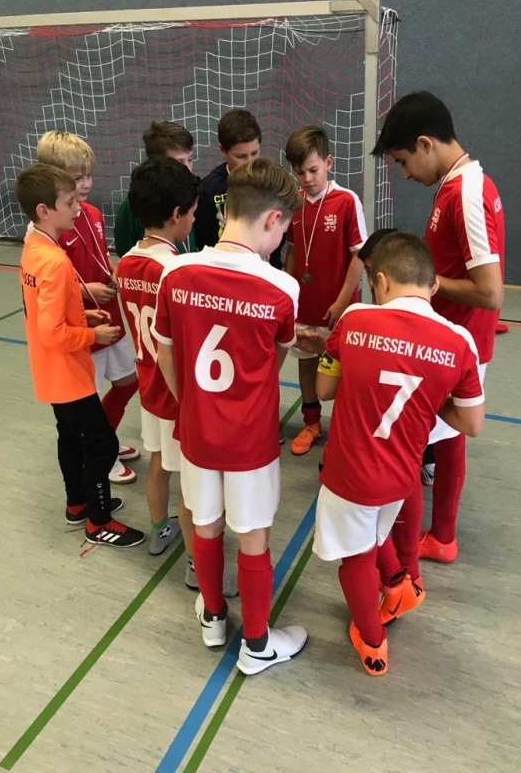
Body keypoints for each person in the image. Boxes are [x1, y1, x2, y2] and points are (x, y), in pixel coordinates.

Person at [153, 157, 307, 675]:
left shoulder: (175, 271)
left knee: (206, 523)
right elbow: (274, 362)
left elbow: (165, 353)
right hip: (250, 439)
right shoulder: (282, 288)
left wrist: (194, 405)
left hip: (197, 429)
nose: (280, 241)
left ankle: (213, 617)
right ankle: (257, 643)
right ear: (272, 219)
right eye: (283, 230)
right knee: (254, 534)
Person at [311, 233, 485, 675]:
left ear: (381, 281)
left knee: (354, 559)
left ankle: (373, 642)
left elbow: (324, 390)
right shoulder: (459, 341)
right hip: (403, 475)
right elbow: (472, 424)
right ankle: (398, 586)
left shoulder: (354, 319)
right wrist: (430, 400)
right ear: (433, 285)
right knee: (374, 534)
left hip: (350, 472)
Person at [373, 91, 505, 563]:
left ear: (426, 143)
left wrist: (422, 282)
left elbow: (490, 292)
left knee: (415, 443)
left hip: (456, 341)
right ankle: (442, 535)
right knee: (446, 438)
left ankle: (410, 554)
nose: (406, 174)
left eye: (404, 161)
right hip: (452, 338)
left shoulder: (467, 192)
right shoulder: (456, 186)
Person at [118, 158, 238, 596]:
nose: (193, 220)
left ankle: (158, 531)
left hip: (149, 386)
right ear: (176, 215)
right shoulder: (176, 271)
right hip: (177, 394)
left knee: (157, 462)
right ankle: (194, 565)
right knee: (191, 487)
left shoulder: (125, 263)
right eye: (192, 213)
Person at [16, 163, 145, 549]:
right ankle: (98, 522)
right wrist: (93, 334)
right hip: (67, 370)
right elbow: (52, 332)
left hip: (49, 369)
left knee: (71, 438)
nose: (77, 208)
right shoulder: (56, 262)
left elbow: (45, 311)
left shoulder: (34, 249)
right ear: (44, 210)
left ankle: (77, 505)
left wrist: (82, 314)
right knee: (101, 444)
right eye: (69, 202)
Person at [36, 130, 140, 485]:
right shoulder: (49, 227)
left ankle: (105, 441)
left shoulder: (92, 212)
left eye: (88, 176)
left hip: (110, 319)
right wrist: (85, 290)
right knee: (86, 403)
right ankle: (98, 454)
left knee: (128, 382)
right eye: (76, 179)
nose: (86, 184)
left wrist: (111, 269)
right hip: (82, 329)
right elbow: (51, 282)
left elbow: (97, 254)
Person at [284, 125, 367, 456]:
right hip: (305, 304)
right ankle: (311, 422)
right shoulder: (294, 203)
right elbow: (292, 251)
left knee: (341, 367)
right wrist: (289, 292)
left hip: (338, 306)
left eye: (313, 170)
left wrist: (343, 300)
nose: (306, 178)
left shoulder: (346, 201)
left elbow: (359, 255)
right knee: (306, 362)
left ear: (329, 162)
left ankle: (346, 427)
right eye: (299, 172)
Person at [114, 121, 195, 258]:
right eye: (179, 162)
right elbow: (125, 253)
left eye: (190, 160)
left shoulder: (192, 196)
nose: (187, 169)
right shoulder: (132, 206)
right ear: (157, 163)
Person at [193, 109, 261, 251]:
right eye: (241, 156)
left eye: (255, 153)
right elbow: (202, 239)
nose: (249, 163)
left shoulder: (269, 181)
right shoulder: (209, 189)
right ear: (223, 150)